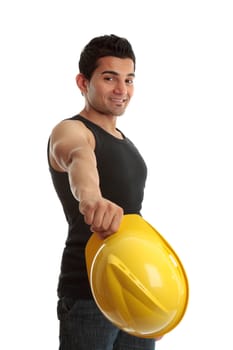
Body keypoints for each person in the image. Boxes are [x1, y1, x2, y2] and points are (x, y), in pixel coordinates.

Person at [47, 34, 158, 350]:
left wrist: (157, 295)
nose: (122, 90)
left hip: (136, 291)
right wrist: (91, 198)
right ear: (83, 82)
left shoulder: (126, 142)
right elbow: (78, 156)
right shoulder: (72, 131)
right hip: (89, 293)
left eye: (129, 79)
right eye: (110, 78)